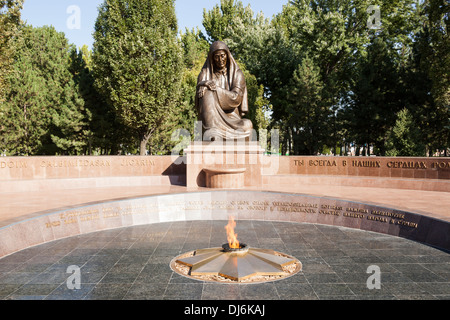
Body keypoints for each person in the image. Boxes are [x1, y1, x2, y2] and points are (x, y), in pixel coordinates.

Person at [196, 41, 253, 141]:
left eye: (222, 56)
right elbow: (199, 101)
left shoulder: (237, 74)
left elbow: (236, 98)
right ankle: (212, 132)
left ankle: (219, 134)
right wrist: (202, 84)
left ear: (227, 55)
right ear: (212, 58)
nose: (220, 60)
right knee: (206, 92)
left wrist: (215, 89)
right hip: (211, 118)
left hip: (232, 118)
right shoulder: (205, 73)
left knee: (247, 125)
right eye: (216, 56)